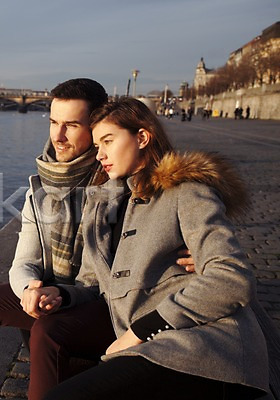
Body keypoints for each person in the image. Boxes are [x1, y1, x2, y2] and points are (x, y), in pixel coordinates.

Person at [0, 80, 195, 400]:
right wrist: (30, 290)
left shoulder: (119, 178)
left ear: (96, 127)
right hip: (60, 292)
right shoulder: (42, 185)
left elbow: (174, 221)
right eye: (53, 122)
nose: (58, 135)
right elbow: (24, 260)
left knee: (48, 330)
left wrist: (197, 254)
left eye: (71, 125)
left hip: (106, 300)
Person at [44, 98, 274, 400]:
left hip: (203, 347)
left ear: (142, 137)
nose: (99, 154)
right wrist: (61, 294)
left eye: (108, 141)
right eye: (97, 145)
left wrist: (140, 331)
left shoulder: (185, 191)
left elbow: (232, 279)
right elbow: (94, 283)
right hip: (152, 346)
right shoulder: (102, 205)